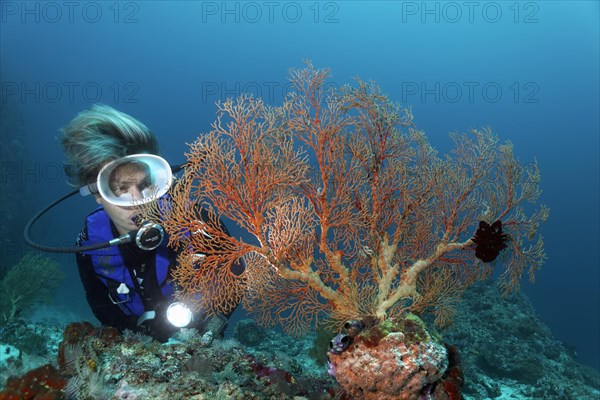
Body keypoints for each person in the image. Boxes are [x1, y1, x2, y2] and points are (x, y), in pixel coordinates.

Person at [60, 104, 236, 342]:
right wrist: (133, 328)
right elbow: (98, 299)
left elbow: (236, 273)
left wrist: (210, 325)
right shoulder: (90, 242)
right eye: (121, 189)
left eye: (144, 186)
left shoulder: (195, 221)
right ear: (97, 194)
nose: (138, 201)